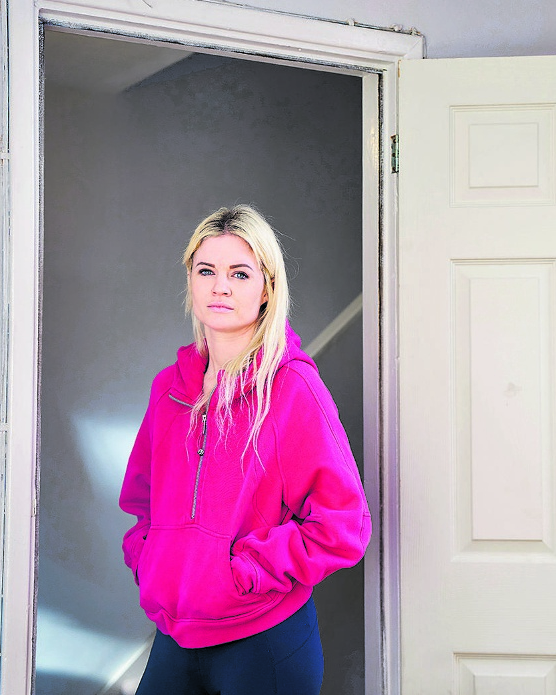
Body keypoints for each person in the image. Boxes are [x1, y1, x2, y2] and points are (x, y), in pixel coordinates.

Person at [119, 204, 371, 695]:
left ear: (266, 289)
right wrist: (153, 562)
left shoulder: (292, 389)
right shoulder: (168, 390)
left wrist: (244, 573)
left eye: (239, 273)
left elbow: (343, 524)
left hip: (263, 642)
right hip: (176, 636)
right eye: (206, 271)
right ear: (190, 280)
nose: (220, 287)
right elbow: (141, 502)